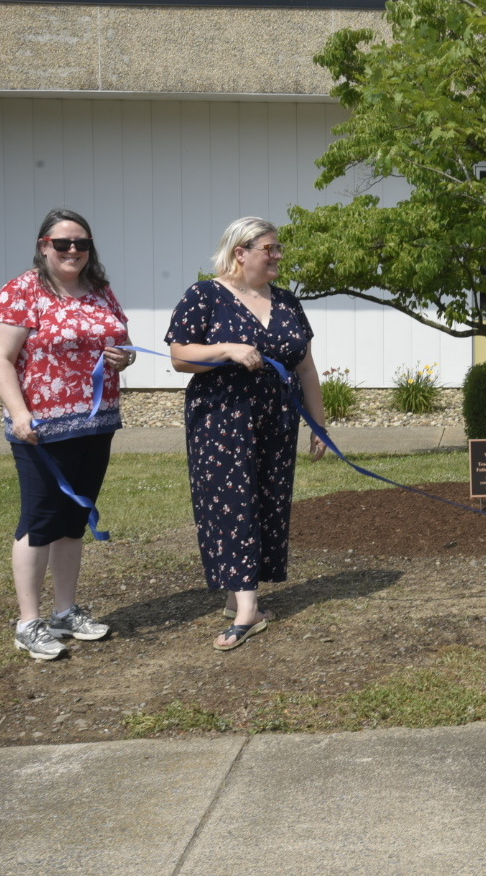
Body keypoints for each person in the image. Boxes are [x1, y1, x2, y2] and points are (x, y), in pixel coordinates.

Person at [166, 217, 328, 650]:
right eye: (269, 248)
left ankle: (243, 590)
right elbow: (180, 356)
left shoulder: (289, 302)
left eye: (278, 249)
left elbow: (306, 367)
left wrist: (319, 424)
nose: (277, 255)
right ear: (241, 252)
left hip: (277, 417)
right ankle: (246, 610)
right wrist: (226, 349)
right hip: (222, 417)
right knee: (232, 502)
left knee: (269, 500)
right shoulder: (205, 295)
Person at [0, 209, 135, 661]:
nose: (73, 251)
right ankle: (28, 622)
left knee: (74, 519)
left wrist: (121, 359)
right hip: (41, 430)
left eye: (82, 243)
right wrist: (18, 414)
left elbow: (123, 344)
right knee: (40, 521)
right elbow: (0, 358)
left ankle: (65, 612)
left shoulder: (101, 291)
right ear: (43, 245)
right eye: (63, 243)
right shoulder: (22, 291)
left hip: (96, 424)